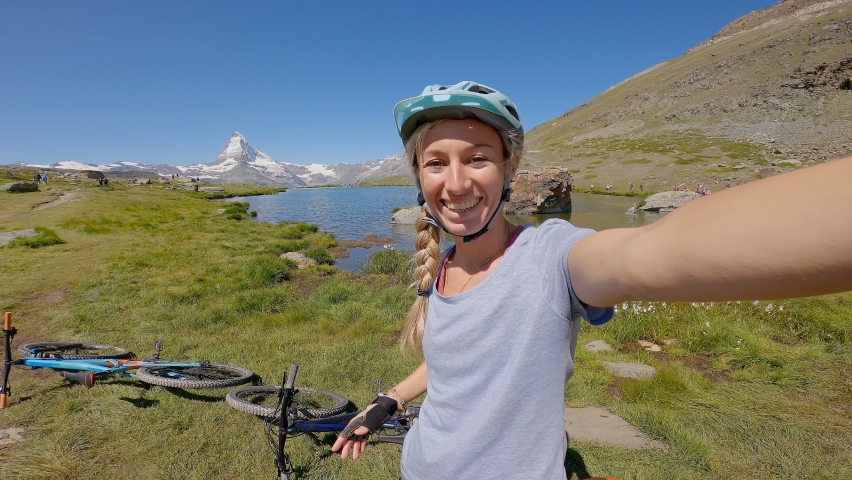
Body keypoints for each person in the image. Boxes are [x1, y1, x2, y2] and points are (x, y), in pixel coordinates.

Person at [330, 80, 852, 479]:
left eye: (479, 159)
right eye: (436, 162)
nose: (457, 181)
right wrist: (391, 400)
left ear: (510, 171)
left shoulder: (548, 257)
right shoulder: (443, 265)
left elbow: (650, 254)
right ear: (419, 178)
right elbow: (453, 359)